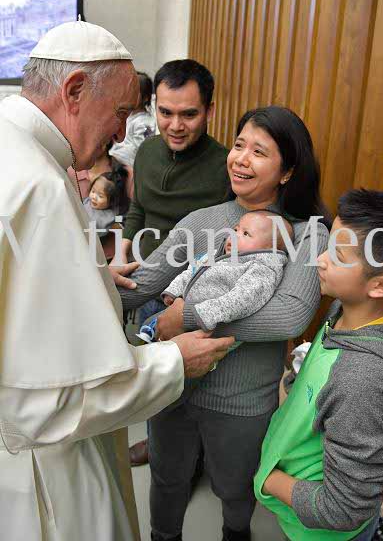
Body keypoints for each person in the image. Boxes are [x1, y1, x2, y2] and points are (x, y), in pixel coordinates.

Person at [0, 20, 234, 541]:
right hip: (40, 469)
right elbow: (45, 405)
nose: (124, 133)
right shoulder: (37, 185)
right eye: (123, 112)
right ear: (75, 91)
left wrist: (91, 273)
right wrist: (173, 361)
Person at [113, 106, 331, 541]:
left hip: (242, 401)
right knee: (167, 479)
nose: (241, 159)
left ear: (288, 172)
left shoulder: (306, 234)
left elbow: (289, 315)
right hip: (174, 384)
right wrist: (83, 284)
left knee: (235, 489)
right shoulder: (201, 221)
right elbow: (142, 284)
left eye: (259, 152)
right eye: (238, 145)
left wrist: (185, 315)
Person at [254, 189, 383, 541]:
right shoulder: (345, 311)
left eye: (337, 255)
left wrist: (270, 481)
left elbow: (343, 509)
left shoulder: (361, 380)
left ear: (381, 285)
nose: (320, 260)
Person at [114, 58, 232, 466]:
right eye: (165, 112)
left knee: (190, 383)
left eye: (189, 114)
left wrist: (189, 300)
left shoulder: (226, 167)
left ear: (209, 111)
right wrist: (123, 249)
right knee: (154, 376)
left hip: (191, 294)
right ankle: (159, 444)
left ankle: (187, 455)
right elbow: (138, 207)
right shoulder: (146, 152)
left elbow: (229, 241)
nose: (175, 125)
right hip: (143, 278)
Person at [137, 211, 293, 347]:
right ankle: (152, 336)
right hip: (186, 309)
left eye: (246, 234)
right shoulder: (215, 255)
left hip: (208, 325)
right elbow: (191, 272)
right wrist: (174, 291)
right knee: (159, 327)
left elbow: (243, 299)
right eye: (235, 230)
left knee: (191, 349)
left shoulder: (261, 269)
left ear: (269, 249)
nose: (234, 235)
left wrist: (202, 314)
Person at [109, 70, 156, 167]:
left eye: (133, 94)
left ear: (145, 98)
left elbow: (143, 151)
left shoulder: (144, 123)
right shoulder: (126, 116)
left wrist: (116, 159)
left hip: (127, 168)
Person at [83, 166, 130, 238]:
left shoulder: (112, 216)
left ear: (113, 201)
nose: (94, 197)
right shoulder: (86, 201)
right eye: (93, 191)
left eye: (100, 196)